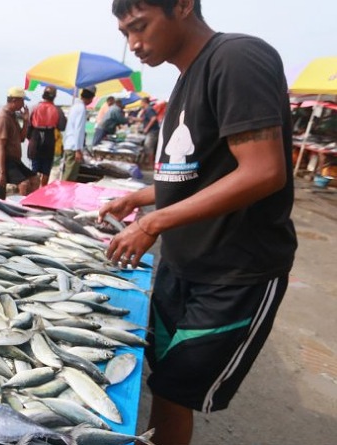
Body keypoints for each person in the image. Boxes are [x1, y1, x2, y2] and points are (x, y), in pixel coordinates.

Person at [102, 1, 297, 444]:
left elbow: (264, 170)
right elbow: (196, 173)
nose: (133, 43)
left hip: (233, 275)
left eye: (140, 26)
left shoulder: (237, 58)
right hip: (182, 267)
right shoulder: (187, 80)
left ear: (184, 6)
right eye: (124, 33)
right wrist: (140, 196)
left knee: (175, 391)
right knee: (165, 387)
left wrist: (153, 224)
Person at [0, 86, 37, 195]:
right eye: (22, 101)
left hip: (14, 160)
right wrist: (3, 173)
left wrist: (26, 121)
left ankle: (30, 204)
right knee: (24, 184)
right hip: (3, 161)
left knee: (35, 179)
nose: (23, 104)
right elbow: (0, 147)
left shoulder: (12, 115)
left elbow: (21, 138)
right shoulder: (3, 118)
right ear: (14, 101)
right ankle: (21, 207)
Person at [26, 85, 66, 186]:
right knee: (46, 169)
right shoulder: (57, 110)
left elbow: (28, 126)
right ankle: (42, 189)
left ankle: (33, 190)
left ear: (43, 94)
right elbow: (62, 126)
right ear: (54, 96)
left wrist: (29, 137)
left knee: (34, 168)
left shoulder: (34, 107)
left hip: (35, 138)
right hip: (49, 138)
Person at [60, 85, 97, 181]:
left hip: (69, 144)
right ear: (91, 98)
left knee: (67, 173)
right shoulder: (81, 108)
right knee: (69, 176)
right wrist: (78, 150)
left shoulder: (75, 106)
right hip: (73, 146)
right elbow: (78, 130)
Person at [132, 96, 161, 169]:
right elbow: (144, 119)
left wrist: (147, 128)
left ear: (144, 102)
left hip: (152, 131)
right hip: (152, 131)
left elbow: (153, 118)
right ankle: (147, 163)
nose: (141, 104)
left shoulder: (149, 109)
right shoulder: (147, 110)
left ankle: (151, 165)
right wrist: (134, 119)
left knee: (148, 147)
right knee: (147, 147)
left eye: (141, 103)